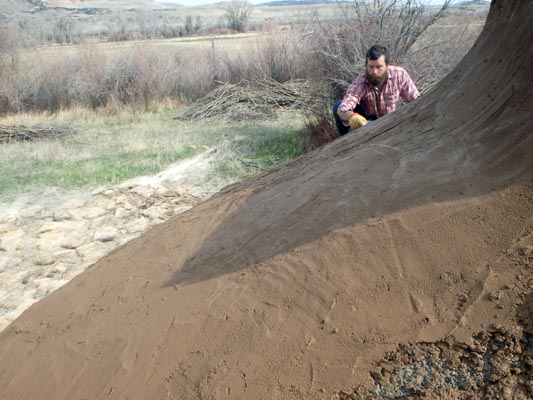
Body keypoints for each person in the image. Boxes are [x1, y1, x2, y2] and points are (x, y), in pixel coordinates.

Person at [333, 45, 420, 136]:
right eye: (371, 67)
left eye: (379, 67)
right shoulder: (361, 82)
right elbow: (343, 108)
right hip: (368, 122)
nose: (374, 71)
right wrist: (352, 117)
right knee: (337, 106)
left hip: (391, 121)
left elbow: (416, 100)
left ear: (387, 66)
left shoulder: (400, 75)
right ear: (366, 65)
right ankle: (345, 140)